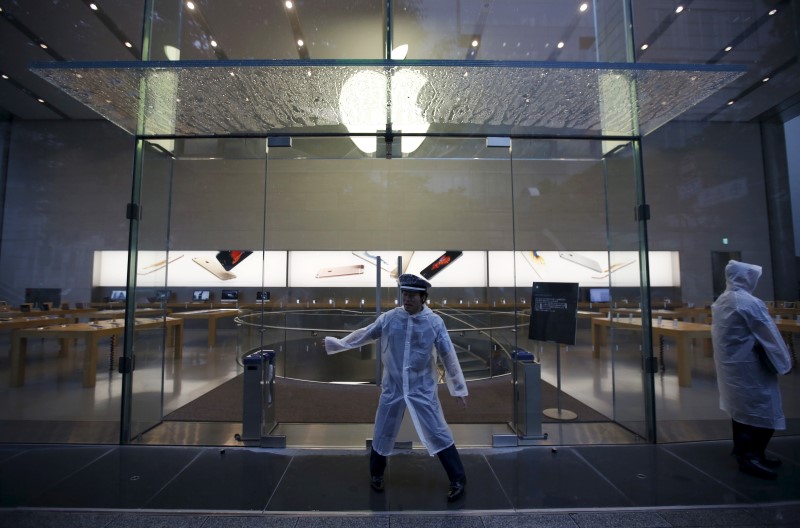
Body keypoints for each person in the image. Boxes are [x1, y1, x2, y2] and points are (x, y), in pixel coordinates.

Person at [324, 273, 469, 501]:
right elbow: (366, 334)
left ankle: (458, 478)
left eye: (412, 295)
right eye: (404, 294)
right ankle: (376, 474)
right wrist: (339, 344)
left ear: (423, 297)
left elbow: (448, 355)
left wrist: (459, 389)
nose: (407, 298)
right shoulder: (390, 318)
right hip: (393, 386)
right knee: (383, 428)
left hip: (422, 388)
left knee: (437, 430)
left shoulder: (434, 322)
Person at [711, 260, 793, 480]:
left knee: (741, 412)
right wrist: (784, 363)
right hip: (750, 367)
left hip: (733, 368)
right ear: (747, 278)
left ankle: (748, 453)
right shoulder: (748, 302)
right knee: (761, 411)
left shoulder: (722, 300)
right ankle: (751, 457)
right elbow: (769, 336)